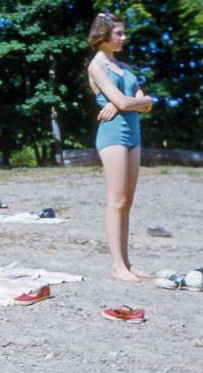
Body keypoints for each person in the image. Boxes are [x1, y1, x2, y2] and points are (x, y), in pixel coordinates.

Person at [87, 13, 153, 282]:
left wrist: (122, 102)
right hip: (112, 134)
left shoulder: (123, 67)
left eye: (124, 33)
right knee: (117, 201)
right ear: (103, 36)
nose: (124, 38)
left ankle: (127, 262)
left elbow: (145, 102)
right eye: (119, 34)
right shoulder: (96, 66)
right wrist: (125, 102)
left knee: (127, 202)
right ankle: (117, 266)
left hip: (133, 133)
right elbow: (133, 102)